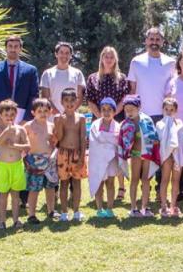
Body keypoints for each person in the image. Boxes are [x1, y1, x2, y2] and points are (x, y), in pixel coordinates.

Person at [0, 36, 39, 210]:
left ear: (20, 48)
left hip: (22, 118)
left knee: (22, 155)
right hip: (2, 118)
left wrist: (25, 120)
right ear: (6, 48)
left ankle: (23, 196)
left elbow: (34, 95)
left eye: (16, 46)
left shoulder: (30, 70)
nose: (13, 49)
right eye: (10, 46)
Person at [86, 46, 131, 201]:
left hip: (117, 118)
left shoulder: (122, 78)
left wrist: (112, 115)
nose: (109, 59)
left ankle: (121, 187)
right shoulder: (93, 78)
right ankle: (99, 184)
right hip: (98, 120)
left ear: (115, 60)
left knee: (117, 154)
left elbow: (124, 99)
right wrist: (101, 117)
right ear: (102, 58)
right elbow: (90, 100)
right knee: (99, 154)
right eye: (106, 56)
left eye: (112, 57)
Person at [117, 95, 160, 218]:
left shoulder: (147, 120)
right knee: (134, 180)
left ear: (139, 107)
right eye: (126, 110)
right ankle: (133, 208)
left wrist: (154, 153)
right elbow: (122, 141)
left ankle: (145, 207)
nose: (129, 112)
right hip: (135, 155)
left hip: (146, 154)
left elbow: (153, 137)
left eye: (132, 109)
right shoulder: (125, 124)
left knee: (146, 180)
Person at [0, 99, 31, 230]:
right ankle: (2, 221)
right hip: (3, 165)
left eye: (12, 115)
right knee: (3, 194)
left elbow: (28, 146)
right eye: (6, 115)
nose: (9, 118)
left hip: (17, 165)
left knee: (15, 195)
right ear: (0, 116)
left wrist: (16, 145)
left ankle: (16, 220)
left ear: (16, 115)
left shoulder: (20, 129)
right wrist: (5, 133)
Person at [128, 27, 176, 122]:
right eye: (151, 39)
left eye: (157, 39)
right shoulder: (136, 62)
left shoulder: (171, 63)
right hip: (141, 115)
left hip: (164, 115)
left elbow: (173, 90)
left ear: (162, 42)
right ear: (146, 41)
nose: (154, 42)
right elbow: (132, 90)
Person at [54, 88, 88, 222]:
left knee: (77, 183)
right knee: (64, 183)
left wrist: (81, 157)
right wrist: (60, 123)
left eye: (72, 100)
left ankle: (76, 211)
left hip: (77, 153)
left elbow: (83, 138)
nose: (69, 103)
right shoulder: (58, 118)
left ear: (77, 101)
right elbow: (60, 138)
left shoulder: (81, 118)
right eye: (66, 100)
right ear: (61, 102)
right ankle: (63, 212)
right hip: (63, 153)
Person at [23, 99, 59, 222]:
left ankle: (51, 210)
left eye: (45, 111)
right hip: (34, 161)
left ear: (50, 112)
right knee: (34, 189)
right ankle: (31, 215)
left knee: (50, 188)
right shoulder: (28, 125)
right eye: (39, 111)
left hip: (49, 161)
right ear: (33, 112)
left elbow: (55, 142)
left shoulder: (52, 125)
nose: (43, 113)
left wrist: (53, 151)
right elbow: (23, 141)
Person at [88, 97, 121, 219]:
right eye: (104, 109)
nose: (106, 112)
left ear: (114, 111)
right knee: (99, 183)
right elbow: (94, 142)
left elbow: (117, 142)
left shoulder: (118, 126)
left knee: (110, 183)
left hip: (112, 159)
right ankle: (99, 208)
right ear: (100, 111)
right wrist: (107, 142)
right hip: (98, 159)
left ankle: (110, 208)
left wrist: (108, 143)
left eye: (109, 110)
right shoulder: (95, 125)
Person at [40, 41, 86, 117]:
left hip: (72, 118)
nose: (64, 55)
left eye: (67, 53)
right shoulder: (47, 73)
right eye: (61, 52)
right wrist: (59, 115)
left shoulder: (78, 73)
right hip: (52, 118)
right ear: (56, 54)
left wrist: (68, 113)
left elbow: (80, 97)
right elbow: (46, 98)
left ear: (71, 55)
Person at [156, 98, 183, 217]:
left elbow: (181, 140)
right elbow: (160, 140)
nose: (169, 112)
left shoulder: (180, 124)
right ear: (163, 109)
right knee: (165, 179)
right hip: (166, 156)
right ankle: (163, 205)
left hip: (177, 156)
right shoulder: (160, 124)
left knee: (176, 181)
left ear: (176, 110)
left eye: (171, 110)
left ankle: (173, 205)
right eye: (166, 109)